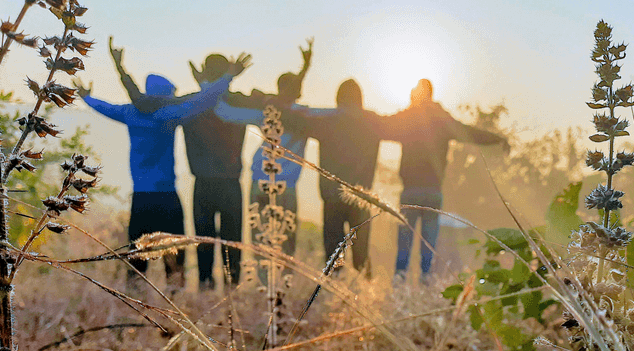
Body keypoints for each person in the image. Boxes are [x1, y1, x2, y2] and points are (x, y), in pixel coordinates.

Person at [76, 55, 248, 290]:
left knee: (137, 255)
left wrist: (86, 97)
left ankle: (136, 297)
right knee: (174, 258)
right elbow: (203, 101)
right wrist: (228, 77)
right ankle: (175, 299)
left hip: (141, 197)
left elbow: (103, 107)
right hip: (167, 196)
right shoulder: (169, 116)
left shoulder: (129, 113)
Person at [383, 79, 508, 280]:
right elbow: (470, 133)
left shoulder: (407, 118)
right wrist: (498, 139)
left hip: (411, 191)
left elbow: (380, 125)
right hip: (433, 191)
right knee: (429, 244)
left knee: (405, 241)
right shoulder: (443, 120)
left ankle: (399, 279)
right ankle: (426, 278)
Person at [280, 79, 395, 276]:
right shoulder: (374, 122)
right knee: (361, 251)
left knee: (333, 251)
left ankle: (334, 288)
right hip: (362, 197)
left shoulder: (327, 121)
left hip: (331, 194)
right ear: (360, 99)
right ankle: (367, 292)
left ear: (338, 99)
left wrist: (273, 103)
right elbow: (404, 127)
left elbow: (293, 121)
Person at [218, 40, 315, 260]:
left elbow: (225, 113)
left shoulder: (265, 113)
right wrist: (305, 69)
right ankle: (282, 290)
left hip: (261, 183)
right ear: (298, 92)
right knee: (287, 245)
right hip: (287, 187)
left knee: (261, 243)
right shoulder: (306, 116)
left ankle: (265, 288)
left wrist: (214, 87)